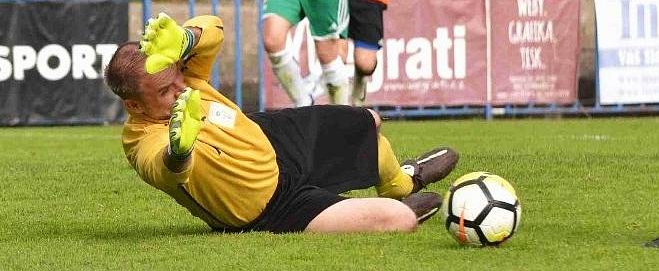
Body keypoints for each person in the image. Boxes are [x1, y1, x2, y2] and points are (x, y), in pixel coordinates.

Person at [104, 12, 460, 233]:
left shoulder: (182, 75)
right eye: (167, 90)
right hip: (269, 208)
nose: (181, 87)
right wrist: (179, 151)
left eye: (179, 73)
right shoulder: (141, 139)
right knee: (399, 221)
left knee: (369, 120)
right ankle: (396, 202)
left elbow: (214, 28)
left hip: (268, 137)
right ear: (134, 104)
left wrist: (186, 40)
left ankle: (399, 182)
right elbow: (162, 167)